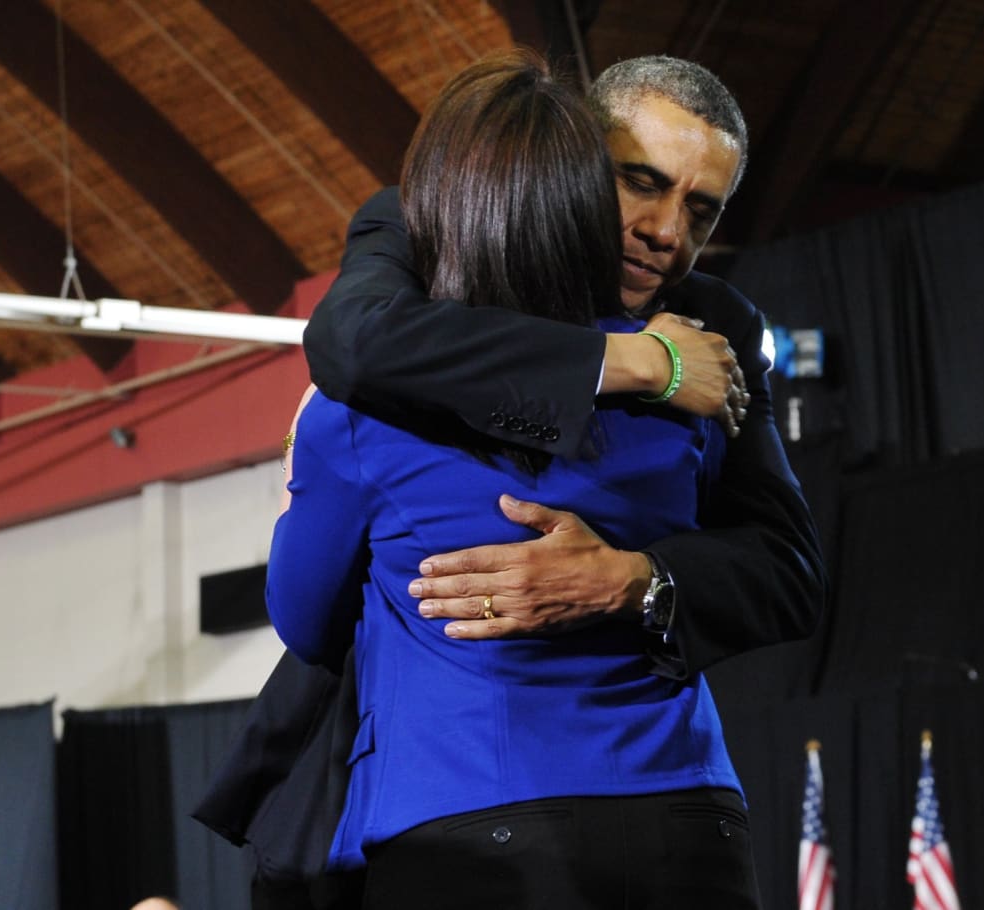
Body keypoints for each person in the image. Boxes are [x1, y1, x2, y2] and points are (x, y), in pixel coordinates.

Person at [194, 53, 825, 909]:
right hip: (681, 814)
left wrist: (633, 579)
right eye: (640, 182)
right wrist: (630, 363)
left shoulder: (713, 338)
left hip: (479, 807)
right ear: (563, 165)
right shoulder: (413, 263)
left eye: (702, 210)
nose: (667, 231)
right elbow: (356, 342)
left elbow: (789, 571)